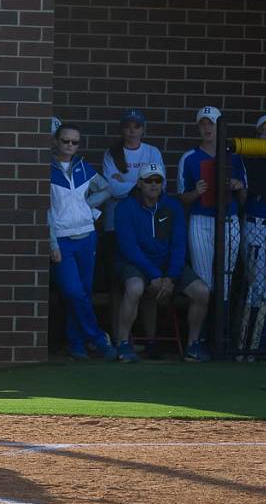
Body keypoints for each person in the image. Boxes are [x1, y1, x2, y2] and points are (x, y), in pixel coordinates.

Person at [113, 163, 211, 362]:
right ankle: (123, 344)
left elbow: (179, 244)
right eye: (149, 180)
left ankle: (193, 345)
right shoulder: (125, 207)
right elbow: (129, 248)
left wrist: (171, 277)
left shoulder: (172, 206)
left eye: (158, 180)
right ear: (140, 183)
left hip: (167, 266)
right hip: (135, 264)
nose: (154, 185)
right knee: (134, 287)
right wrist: (155, 275)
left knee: (202, 291)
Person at [48, 121, 116, 361]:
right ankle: (97, 337)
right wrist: (53, 243)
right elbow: (45, 211)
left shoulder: (84, 168)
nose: (69, 145)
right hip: (63, 240)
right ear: (56, 142)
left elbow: (107, 188)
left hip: (87, 236)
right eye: (65, 140)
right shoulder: (47, 170)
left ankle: (76, 344)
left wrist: (89, 206)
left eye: (74, 142)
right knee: (72, 291)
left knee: (83, 293)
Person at [100, 109, 165, 343]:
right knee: (117, 285)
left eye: (136, 126)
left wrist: (124, 182)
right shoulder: (112, 153)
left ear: (143, 129)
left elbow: (158, 185)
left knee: (143, 283)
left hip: (144, 224)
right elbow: (110, 189)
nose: (132, 131)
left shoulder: (152, 152)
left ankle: (149, 340)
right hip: (113, 225)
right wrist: (139, 184)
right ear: (122, 128)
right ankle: (120, 339)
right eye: (128, 126)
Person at [177, 106, 246, 298]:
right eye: (203, 124)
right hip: (201, 219)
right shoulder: (189, 157)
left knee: (225, 278)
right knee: (204, 280)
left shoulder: (235, 156)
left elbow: (244, 198)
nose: (207, 128)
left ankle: (221, 325)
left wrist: (238, 186)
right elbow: (182, 197)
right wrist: (196, 192)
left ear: (220, 126)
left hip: (229, 218)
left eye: (211, 124)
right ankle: (207, 327)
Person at [238, 114, 266, 351]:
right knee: (255, 285)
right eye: (263, 131)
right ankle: (247, 345)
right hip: (254, 224)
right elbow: (244, 198)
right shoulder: (248, 160)